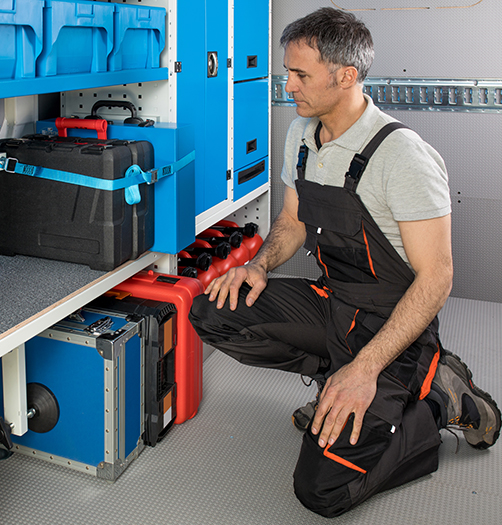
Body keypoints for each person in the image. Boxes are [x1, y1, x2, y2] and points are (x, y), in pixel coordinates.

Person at [189, 7, 500, 518]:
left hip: (392, 326)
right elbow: (291, 221)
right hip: (332, 302)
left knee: (322, 492)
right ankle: (336, 379)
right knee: (213, 311)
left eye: (300, 74)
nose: (287, 85)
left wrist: (366, 368)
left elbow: (437, 277)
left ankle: (440, 398)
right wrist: (259, 266)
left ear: (347, 76)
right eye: (287, 72)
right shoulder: (301, 134)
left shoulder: (403, 157)